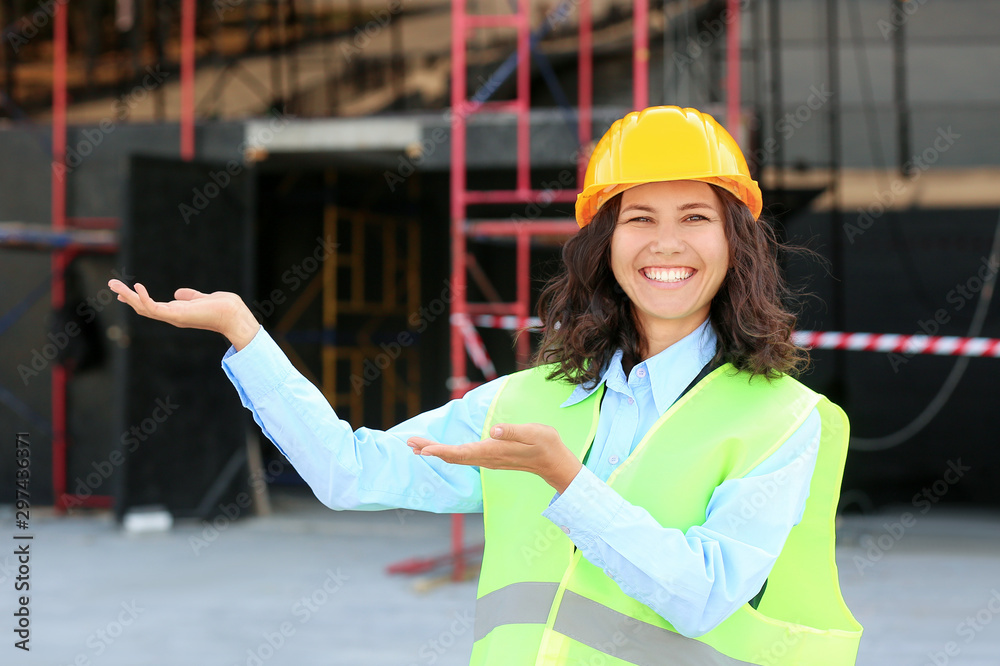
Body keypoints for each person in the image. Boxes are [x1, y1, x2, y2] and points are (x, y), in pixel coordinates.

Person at [109, 106, 862, 665]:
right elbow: (349, 472)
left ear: (736, 242)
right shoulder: (525, 402)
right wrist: (246, 336)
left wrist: (566, 482)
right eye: (640, 218)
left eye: (696, 216)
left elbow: (702, 595)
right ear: (606, 245)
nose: (666, 243)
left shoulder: (782, 420)